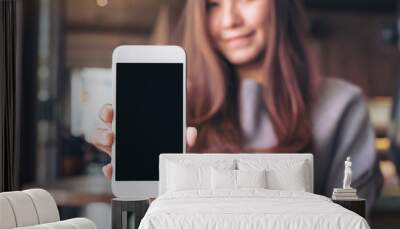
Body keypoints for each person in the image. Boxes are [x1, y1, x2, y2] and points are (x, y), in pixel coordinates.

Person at [91, 0, 382, 213]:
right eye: (213, 5)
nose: (229, 19)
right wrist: (155, 193)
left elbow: (351, 226)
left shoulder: (341, 105)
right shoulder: (181, 102)